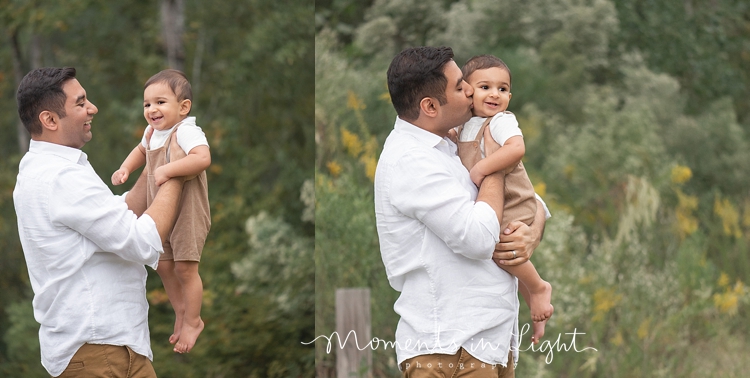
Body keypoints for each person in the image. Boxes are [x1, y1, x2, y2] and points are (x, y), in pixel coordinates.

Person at [375, 46, 549, 377]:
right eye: (460, 86)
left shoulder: (449, 145)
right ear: (429, 106)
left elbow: (525, 200)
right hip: (450, 351)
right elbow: (479, 239)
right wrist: (495, 167)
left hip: (489, 343)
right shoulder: (412, 161)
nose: (471, 90)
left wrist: (531, 232)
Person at [14, 67, 187, 377]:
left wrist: (157, 159)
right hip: (99, 355)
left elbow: (117, 217)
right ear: (50, 120)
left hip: (112, 350)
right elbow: (140, 241)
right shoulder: (60, 176)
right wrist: (176, 169)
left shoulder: (49, 169)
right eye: (80, 103)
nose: (92, 108)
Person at [112, 69, 211, 354]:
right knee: (163, 264)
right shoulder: (152, 132)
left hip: (188, 210)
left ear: (183, 107)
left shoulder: (187, 131)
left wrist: (168, 168)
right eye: (147, 104)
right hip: (163, 211)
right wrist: (125, 169)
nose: (152, 109)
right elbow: (141, 152)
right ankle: (181, 312)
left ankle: (193, 321)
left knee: (185, 267)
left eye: (160, 102)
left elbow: (203, 158)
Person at [453, 54, 553, 334]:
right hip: (495, 201)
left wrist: (482, 168)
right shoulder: (464, 124)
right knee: (503, 252)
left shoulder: (501, 121)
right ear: (468, 92)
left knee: (501, 248)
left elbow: (516, 148)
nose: (495, 94)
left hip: (512, 197)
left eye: (503, 88)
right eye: (485, 87)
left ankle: (538, 287)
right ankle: (530, 292)